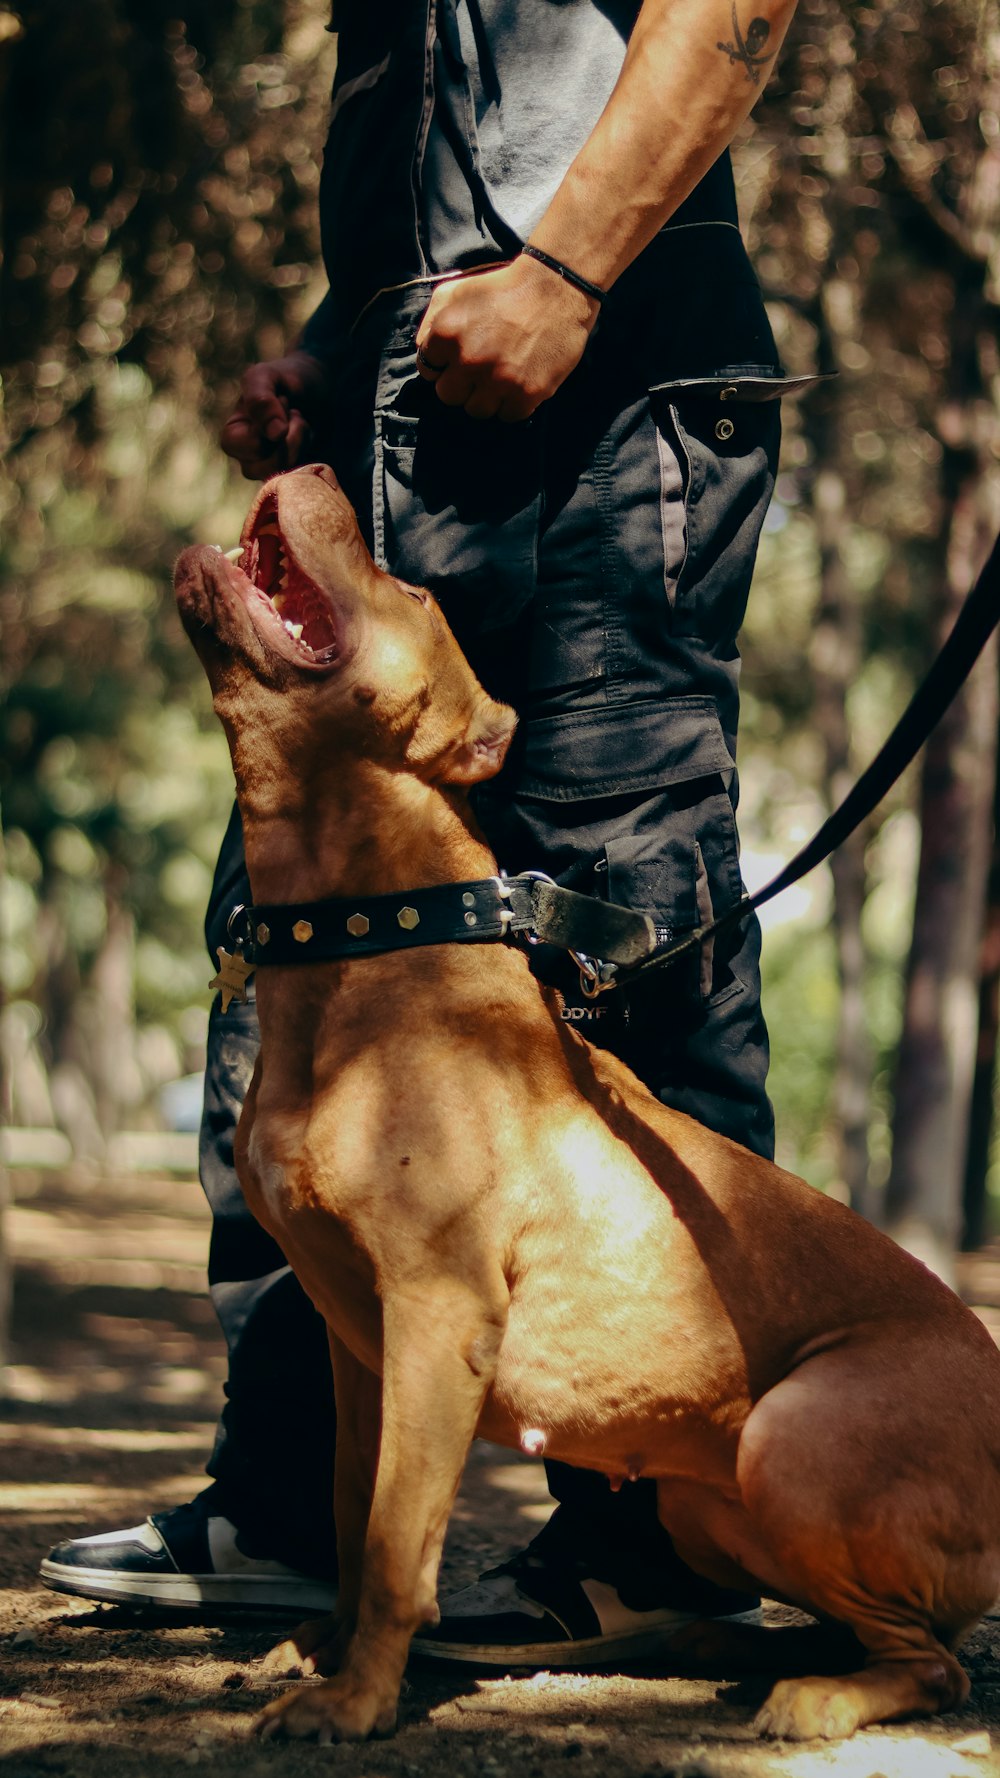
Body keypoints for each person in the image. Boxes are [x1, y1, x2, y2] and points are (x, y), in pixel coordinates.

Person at [43, 0, 806, 1664]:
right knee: (304, 913)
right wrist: (340, 337)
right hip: (421, 391)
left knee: (623, 917)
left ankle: (660, 1540)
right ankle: (298, 1505)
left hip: (624, 375)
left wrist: (570, 273)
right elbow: (458, 128)